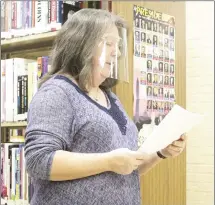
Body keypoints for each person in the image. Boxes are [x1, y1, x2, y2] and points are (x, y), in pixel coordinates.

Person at [24, 9, 186, 205]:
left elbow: (126, 169)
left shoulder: (110, 98)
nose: (116, 52)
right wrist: (108, 161)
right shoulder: (57, 93)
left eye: (117, 46)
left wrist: (161, 153)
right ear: (83, 45)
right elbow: (39, 161)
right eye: (109, 43)